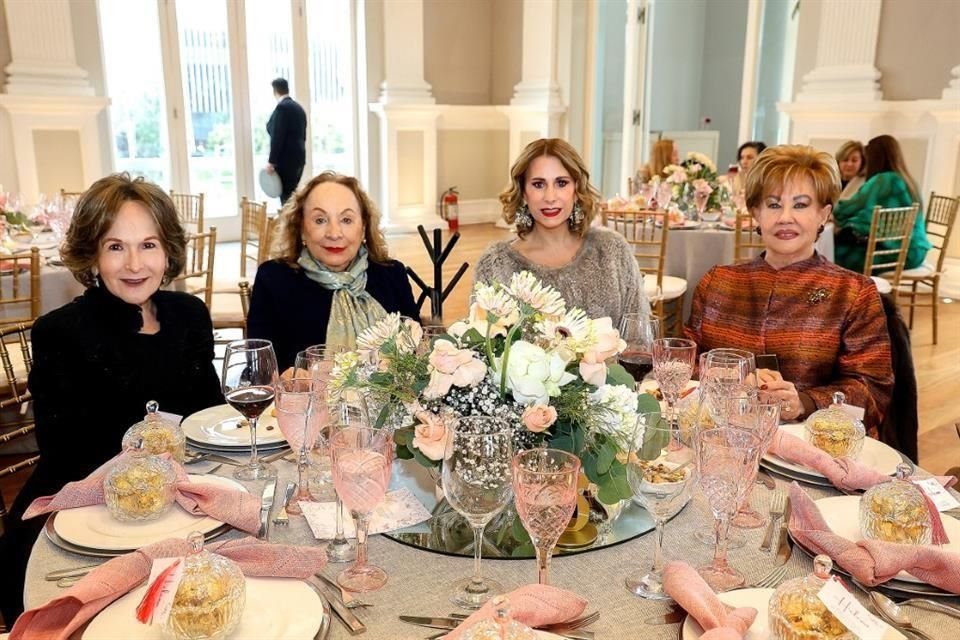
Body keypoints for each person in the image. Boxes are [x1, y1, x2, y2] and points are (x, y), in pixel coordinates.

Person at [0, 174, 223, 624]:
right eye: (115, 246)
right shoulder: (62, 333)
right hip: (82, 503)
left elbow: (210, 415)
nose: (135, 263)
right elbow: (67, 453)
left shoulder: (189, 315)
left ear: (168, 252)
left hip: (179, 500)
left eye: (149, 244)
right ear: (92, 255)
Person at [685, 145, 893, 433]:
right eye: (773, 205)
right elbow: (684, 364)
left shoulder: (853, 293)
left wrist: (805, 403)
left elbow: (873, 393)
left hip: (814, 455)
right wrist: (731, 376)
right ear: (755, 213)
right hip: (721, 441)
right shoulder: (718, 283)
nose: (785, 217)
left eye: (800, 204)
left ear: (823, 214)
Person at [247, 171, 418, 369]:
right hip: (306, 399)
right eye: (320, 220)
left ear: (363, 227)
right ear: (301, 227)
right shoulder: (274, 279)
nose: (334, 233)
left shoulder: (391, 274)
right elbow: (259, 366)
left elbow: (416, 350)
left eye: (346, 220)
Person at [475, 138, 650, 327]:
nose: (550, 197)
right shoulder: (496, 265)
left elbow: (639, 335)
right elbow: (480, 346)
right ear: (523, 192)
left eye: (561, 183)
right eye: (538, 184)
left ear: (576, 189)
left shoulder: (611, 250)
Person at [834, 134, 931, 273]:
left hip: (895, 254)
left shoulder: (881, 180)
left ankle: (852, 293)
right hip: (916, 252)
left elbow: (842, 211)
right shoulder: (908, 180)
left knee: (834, 253)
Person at [265, 77, 307, 204]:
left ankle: (288, 223)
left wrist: (271, 161)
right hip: (299, 159)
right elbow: (303, 136)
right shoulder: (299, 108)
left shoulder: (282, 109)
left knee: (286, 198)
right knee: (291, 195)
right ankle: (291, 221)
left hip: (286, 161)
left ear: (275, 91)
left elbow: (277, 137)